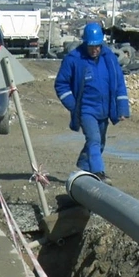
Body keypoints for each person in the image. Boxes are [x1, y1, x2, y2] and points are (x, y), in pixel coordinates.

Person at [54, 22, 130, 184]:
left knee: (100, 142)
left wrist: (122, 108)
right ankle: (98, 173)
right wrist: (74, 107)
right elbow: (61, 84)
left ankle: (83, 165)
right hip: (86, 109)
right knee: (94, 139)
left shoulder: (109, 58)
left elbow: (119, 84)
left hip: (105, 109)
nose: (95, 49)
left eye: (98, 45)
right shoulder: (74, 59)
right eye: (91, 46)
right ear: (85, 43)